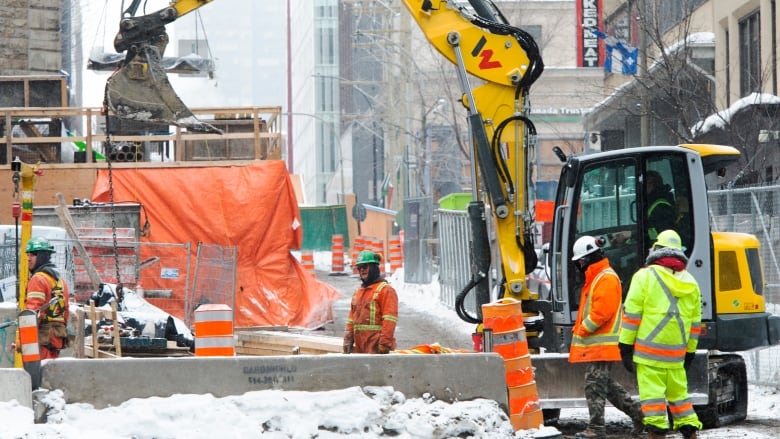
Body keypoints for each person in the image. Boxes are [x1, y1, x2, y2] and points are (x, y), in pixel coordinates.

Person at [619, 229, 702, 439]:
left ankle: (656, 434)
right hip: (676, 357)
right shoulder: (691, 282)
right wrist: (689, 352)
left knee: (653, 401)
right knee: (680, 399)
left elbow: (632, 316)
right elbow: (694, 323)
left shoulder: (644, 276)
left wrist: (625, 346)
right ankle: (690, 431)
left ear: (656, 249)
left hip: (649, 355)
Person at [568, 236, 644, 439]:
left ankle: (597, 428)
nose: (580, 265)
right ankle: (639, 414)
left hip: (603, 345)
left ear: (588, 258)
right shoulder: (598, 277)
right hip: (599, 345)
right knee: (607, 386)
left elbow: (602, 312)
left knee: (594, 385)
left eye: (581, 261)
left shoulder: (605, 277)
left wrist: (582, 329)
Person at [343, 250, 398, 354]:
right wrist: (348, 338)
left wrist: (384, 343)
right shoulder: (358, 293)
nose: (362, 270)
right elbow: (351, 319)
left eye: (365, 267)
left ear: (374, 267)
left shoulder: (386, 290)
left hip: (376, 348)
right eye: (359, 268)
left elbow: (390, 319)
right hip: (360, 348)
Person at [25, 236, 70, 360]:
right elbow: (65, 312)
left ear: (43, 256)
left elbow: (31, 314)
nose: (28, 259)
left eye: (33, 254)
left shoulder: (37, 279)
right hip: (56, 339)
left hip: (41, 341)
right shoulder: (60, 280)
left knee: (37, 377)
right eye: (28, 255)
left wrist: (23, 343)